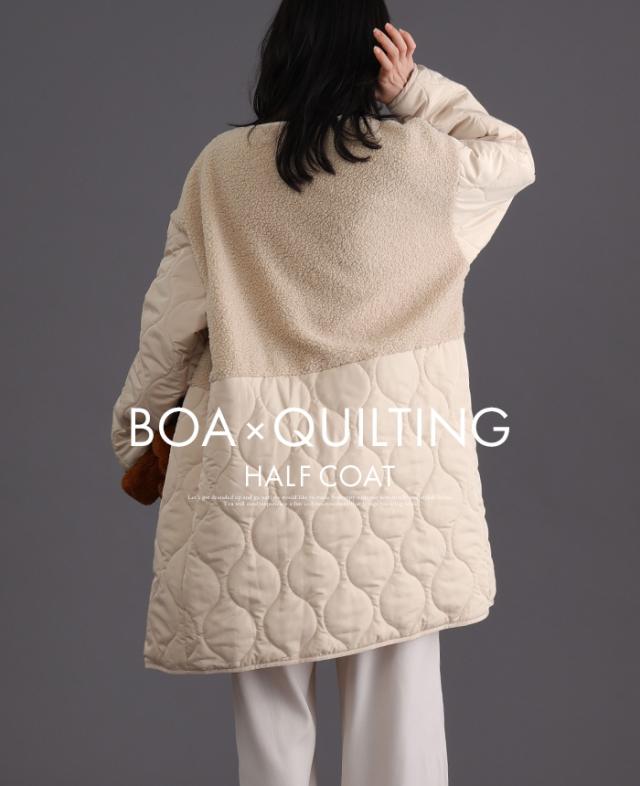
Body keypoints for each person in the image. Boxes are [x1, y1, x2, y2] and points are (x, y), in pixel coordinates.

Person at [111, 2, 535, 784]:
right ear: (375, 55)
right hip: (394, 487)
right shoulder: (422, 163)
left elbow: (169, 327)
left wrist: (136, 435)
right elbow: (511, 156)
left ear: (282, 52)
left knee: (269, 726)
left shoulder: (221, 170)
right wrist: (416, 92)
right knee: (399, 719)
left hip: (253, 480)